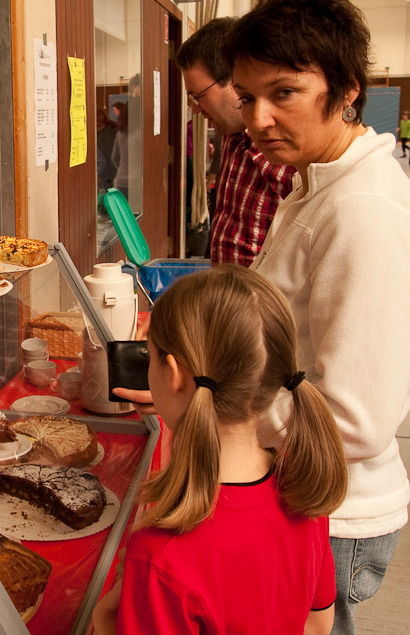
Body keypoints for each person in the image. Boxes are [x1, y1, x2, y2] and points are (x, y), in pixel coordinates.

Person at [224, 0, 410, 633]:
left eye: (284, 93)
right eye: (247, 97)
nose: (260, 119)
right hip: (302, 491)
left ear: (347, 88)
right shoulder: (317, 181)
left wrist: (226, 411)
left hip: (335, 515)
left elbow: (357, 419)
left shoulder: (362, 209)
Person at [94, 265, 348, 635]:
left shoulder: (159, 556)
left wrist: (106, 617)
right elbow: (318, 624)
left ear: (174, 374)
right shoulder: (304, 494)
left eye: (149, 356)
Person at [176, 17, 296, 267]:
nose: (196, 109)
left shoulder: (281, 145)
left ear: (235, 81)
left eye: (199, 96)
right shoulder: (232, 134)